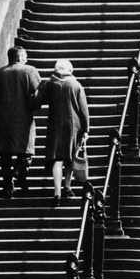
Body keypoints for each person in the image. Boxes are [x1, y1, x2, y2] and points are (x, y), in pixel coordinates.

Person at [0, 45, 40, 198]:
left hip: (1, 121)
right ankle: (18, 175)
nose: (26, 59)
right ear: (21, 57)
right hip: (23, 120)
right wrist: (35, 107)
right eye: (25, 56)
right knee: (26, 153)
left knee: (5, 156)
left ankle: (8, 185)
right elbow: (36, 96)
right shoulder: (30, 71)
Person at [36, 58, 89, 207]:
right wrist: (86, 129)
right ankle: (67, 186)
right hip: (73, 126)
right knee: (71, 157)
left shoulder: (49, 84)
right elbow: (84, 110)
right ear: (70, 71)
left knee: (57, 159)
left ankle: (57, 193)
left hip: (55, 125)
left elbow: (38, 100)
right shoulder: (76, 85)